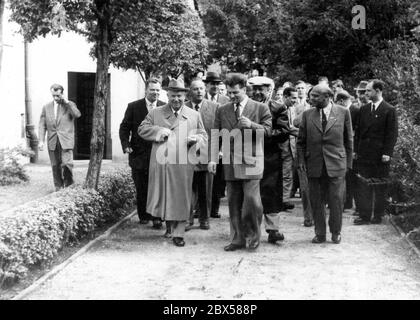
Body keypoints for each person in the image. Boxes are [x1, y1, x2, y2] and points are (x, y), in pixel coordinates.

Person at [139, 79, 207, 247]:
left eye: (179, 96)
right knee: (165, 197)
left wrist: (196, 139)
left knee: (181, 197)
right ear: (167, 95)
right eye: (172, 96)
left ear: (185, 96)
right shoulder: (156, 113)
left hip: (183, 163)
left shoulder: (194, 115)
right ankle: (170, 227)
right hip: (162, 164)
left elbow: (204, 136)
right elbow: (142, 129)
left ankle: (179, 233)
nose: (176, 99)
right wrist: (158, 131)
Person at [209, 73, 272, 251]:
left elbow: (268, 132)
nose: (232, 96)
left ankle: (253, 236)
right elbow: (215, 136)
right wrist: (213, 159)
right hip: (230, 161)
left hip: (252, 160)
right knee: (234, 201)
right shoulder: (222, 110)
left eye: (235, 92)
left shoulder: (260, 108)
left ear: (245, 89)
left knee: (252, 200)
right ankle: (237, 239)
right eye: (229, 92)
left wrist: (252, 125)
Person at [297, 84, 353, 244]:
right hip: (314, 164)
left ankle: (336, 232)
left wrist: (347, 164)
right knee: (316, 200)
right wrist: (300, 161)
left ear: (327, 97)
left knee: (336, 200)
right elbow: (301, 142)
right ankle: (320, 233)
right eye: (311, 96)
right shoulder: (307, 114)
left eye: (315, 96)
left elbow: (349, 139)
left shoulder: (343, 112)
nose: (311, 99)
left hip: (336, 164)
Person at [119, 78, 166, 228]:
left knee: (157, 185)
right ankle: (143, 215)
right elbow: (124, 128)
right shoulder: (134, 107)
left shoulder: (164, 107)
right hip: (139, 154)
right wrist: (126, 145)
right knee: (141, 186)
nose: (155, 93)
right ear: (146, 90)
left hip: (158, 153)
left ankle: (156, 215)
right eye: (152, 90)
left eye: (158, 90)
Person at [353, 80, 398, 225]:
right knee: (363, 185)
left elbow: (392, 134)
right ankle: (364, 215)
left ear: (378, 91)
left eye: (368, 90)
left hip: (380, 156)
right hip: (364, 154)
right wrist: (355, 150)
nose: (365, 93)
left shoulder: (389, 110)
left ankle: (377, 215)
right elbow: (358, 132)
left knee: (379, 186)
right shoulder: (364, 109)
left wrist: (387, 152)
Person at [249, 77, 286, 244]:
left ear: (269, 90)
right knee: (250, 193)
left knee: (271, 192)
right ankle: (250, 229)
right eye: (255, 88)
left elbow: (284, 132)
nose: (257, 92)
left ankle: (273, 229)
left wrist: (264, 133)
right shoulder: (246, 107)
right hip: (248, 154)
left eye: (261, 89)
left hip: (270, 156)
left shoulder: (278, 107)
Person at [185, 79, 219, 230]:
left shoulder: (215, 107)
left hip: (207, 153)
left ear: (205, 90)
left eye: (201, 88)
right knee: (187, 189)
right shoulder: (183, 107)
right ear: (189, 91)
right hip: (187, 154)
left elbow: (219, 131)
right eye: (195, 89)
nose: (199, 91)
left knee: (205, 189)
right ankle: (187, 219)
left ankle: (204, 219)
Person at [39, 84, 81, 191]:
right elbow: (42, 125)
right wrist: (41, 141)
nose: (55, 98)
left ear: (62, 93)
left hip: (65, 141)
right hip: (52, 141)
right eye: (53, 95)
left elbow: (77, 115)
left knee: (67, 164)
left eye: (57, 95)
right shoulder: (46, 107)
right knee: (55, 166)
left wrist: (66, 102)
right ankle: (58, 188)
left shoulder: (69, 105)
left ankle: (69, 186)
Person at [279, 87, 299, 211]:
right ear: (285, 97)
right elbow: (287, 128)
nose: (295, 101)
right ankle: (279, 199)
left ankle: (284, 200)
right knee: (278, 175)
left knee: (287, 175)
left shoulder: (292, 109)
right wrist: (304, 133)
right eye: (293, 98)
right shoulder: (277, 109)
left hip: (290, 147)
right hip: (279, 147)